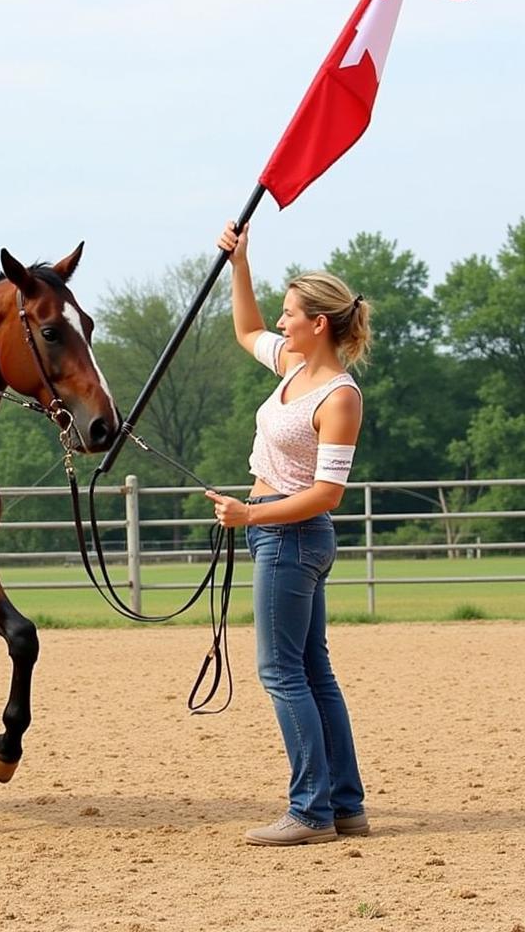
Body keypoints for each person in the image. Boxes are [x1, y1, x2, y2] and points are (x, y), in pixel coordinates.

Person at [205, 220, 372, 847]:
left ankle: (310, 811)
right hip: (282, 536)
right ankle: (345, 805)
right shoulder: (293, 367)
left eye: (290, 313)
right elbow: (246, 329)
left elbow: (328, 494)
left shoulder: (337, 395)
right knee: (312, 670)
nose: (281, 322)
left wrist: (250, 516)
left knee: (282, 672)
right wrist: (238, 264)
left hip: (291, 537)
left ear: (318, 323)